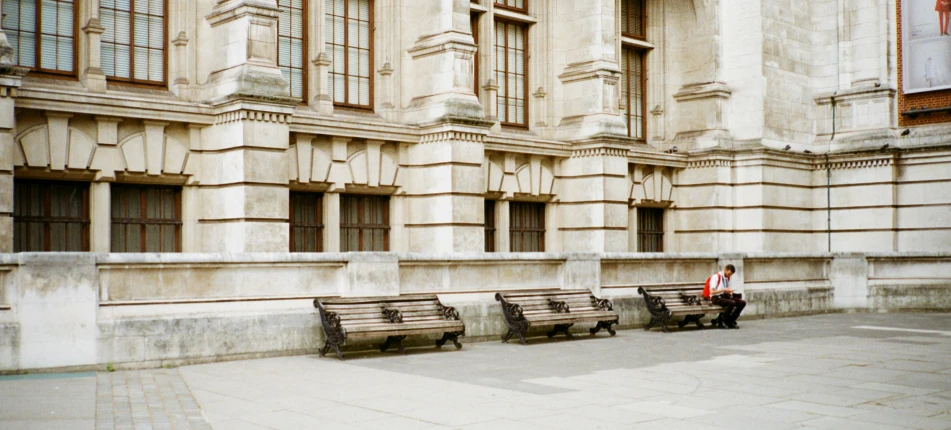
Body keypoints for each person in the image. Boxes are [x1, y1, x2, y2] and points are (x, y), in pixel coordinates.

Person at [703, 264, 746, 329]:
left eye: (731, 274)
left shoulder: (726, 278)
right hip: (716, 297)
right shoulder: (716, 277)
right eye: (729, 274)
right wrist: (724, 289)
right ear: (725, 270)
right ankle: (724, 322)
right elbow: (712, 292)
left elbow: (725, 289)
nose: (730, 276)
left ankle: (731, 321)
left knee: (742, 303)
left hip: (724, 296)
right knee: (731, 302)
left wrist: (729, 291)